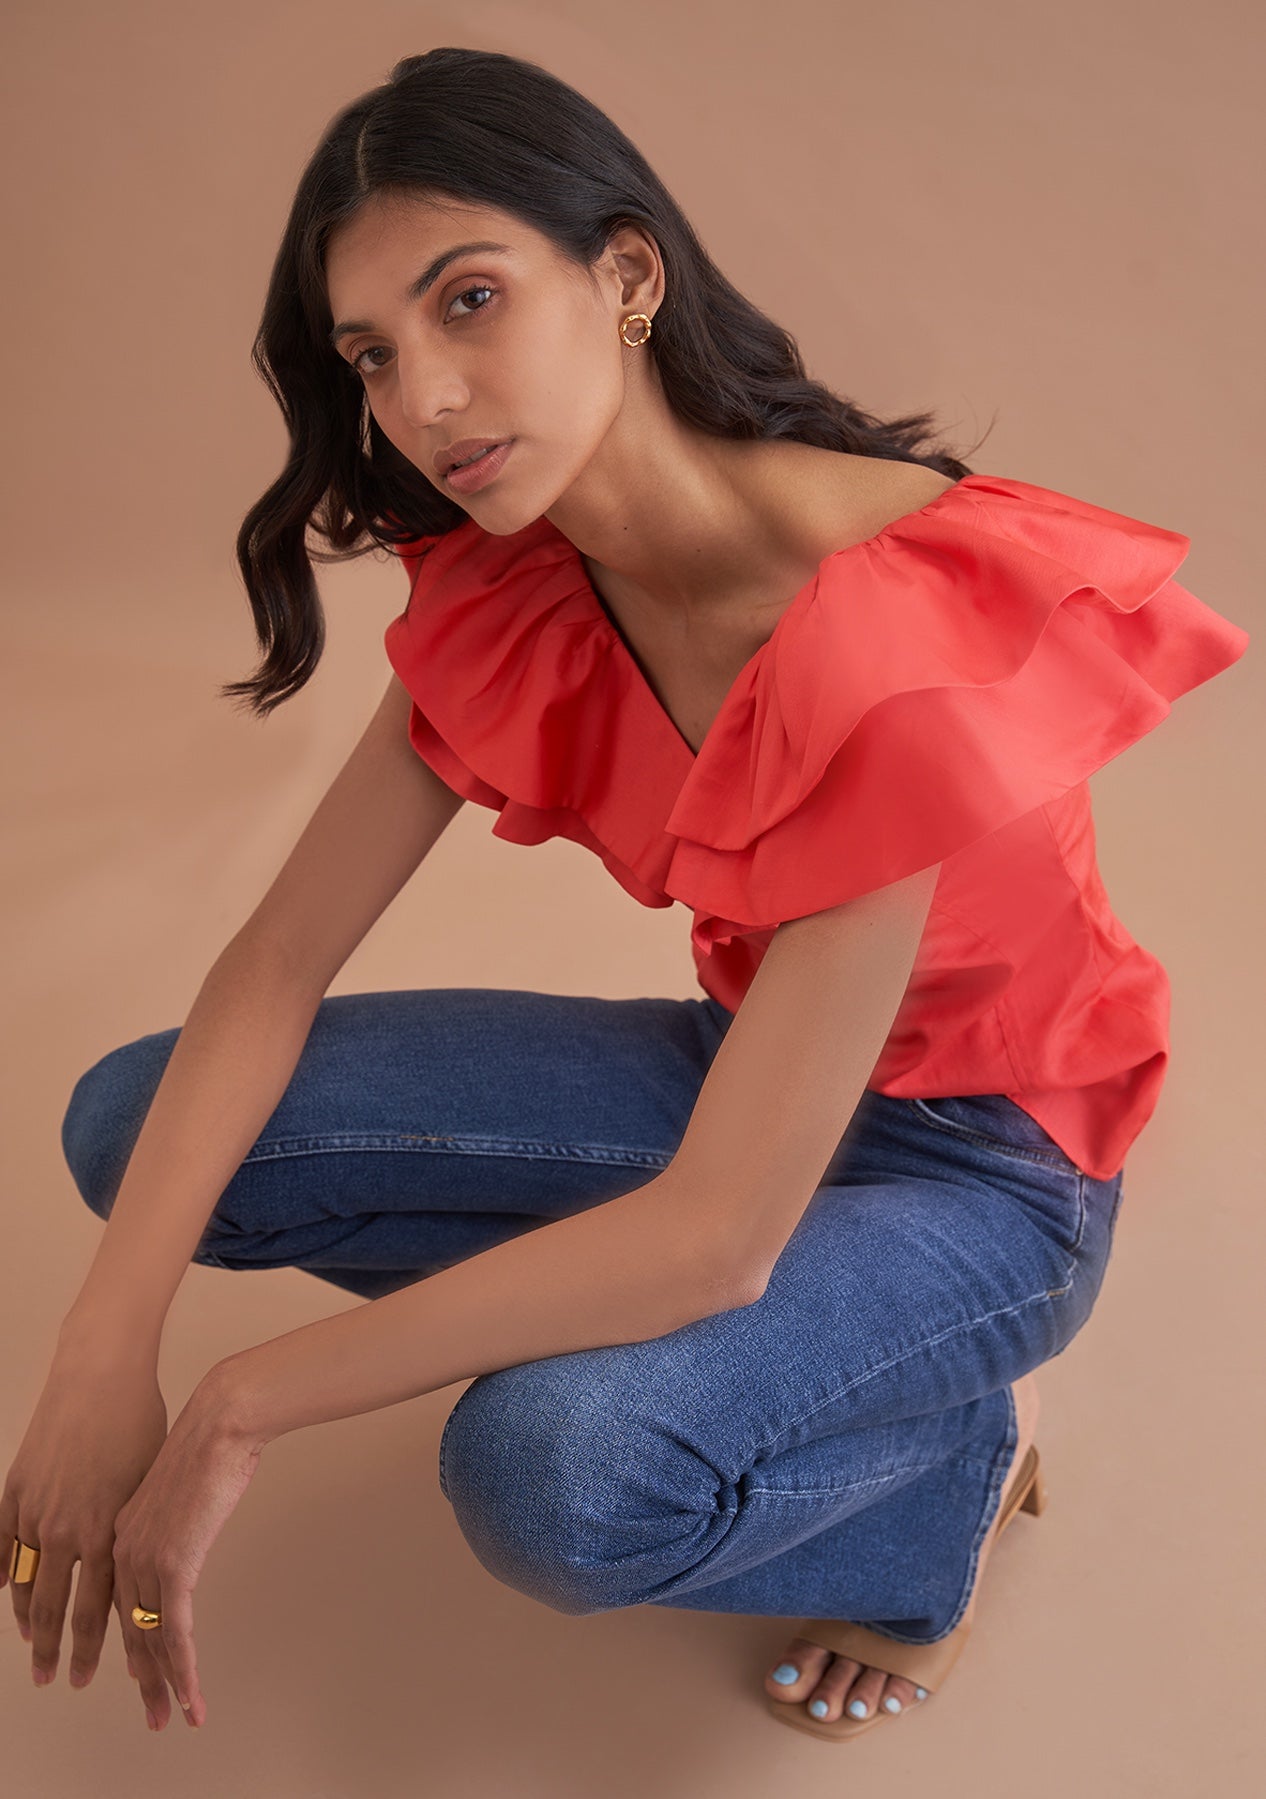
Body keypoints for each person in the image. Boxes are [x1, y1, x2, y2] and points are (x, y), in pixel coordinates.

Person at [4, 47, 1250, 1745]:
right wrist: (99, 1343)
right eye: (374, 352)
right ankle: (709, 1359)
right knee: (132, 1124)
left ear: (627, 276)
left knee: (549, 1468)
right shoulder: (524, 589)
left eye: (470, 299)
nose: (425, 399)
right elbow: (275, 960)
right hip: (743, 1080)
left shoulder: (876, 617)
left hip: (988, 1174)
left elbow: (724, 1232)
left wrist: (232, 1402)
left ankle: (947, 1474)